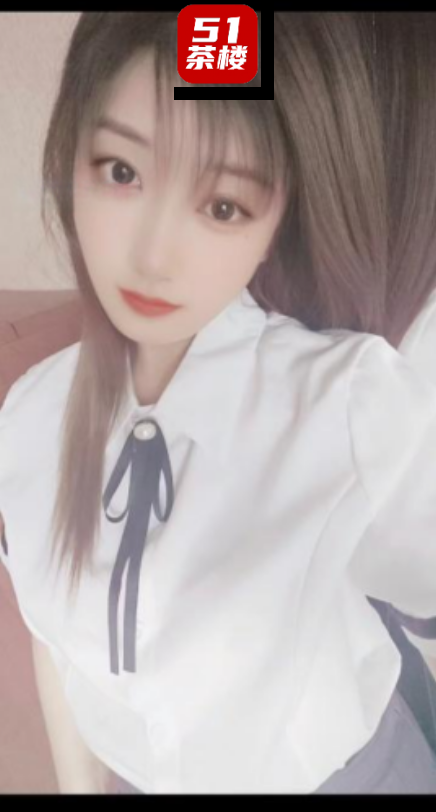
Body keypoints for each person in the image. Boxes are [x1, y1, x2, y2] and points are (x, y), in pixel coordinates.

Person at [1, 12, 436, 795]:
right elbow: (54, 637)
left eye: (223, 205)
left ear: (276, 224)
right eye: (122, 172)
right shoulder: (30, 418)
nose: (153, 254)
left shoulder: (346, 404)